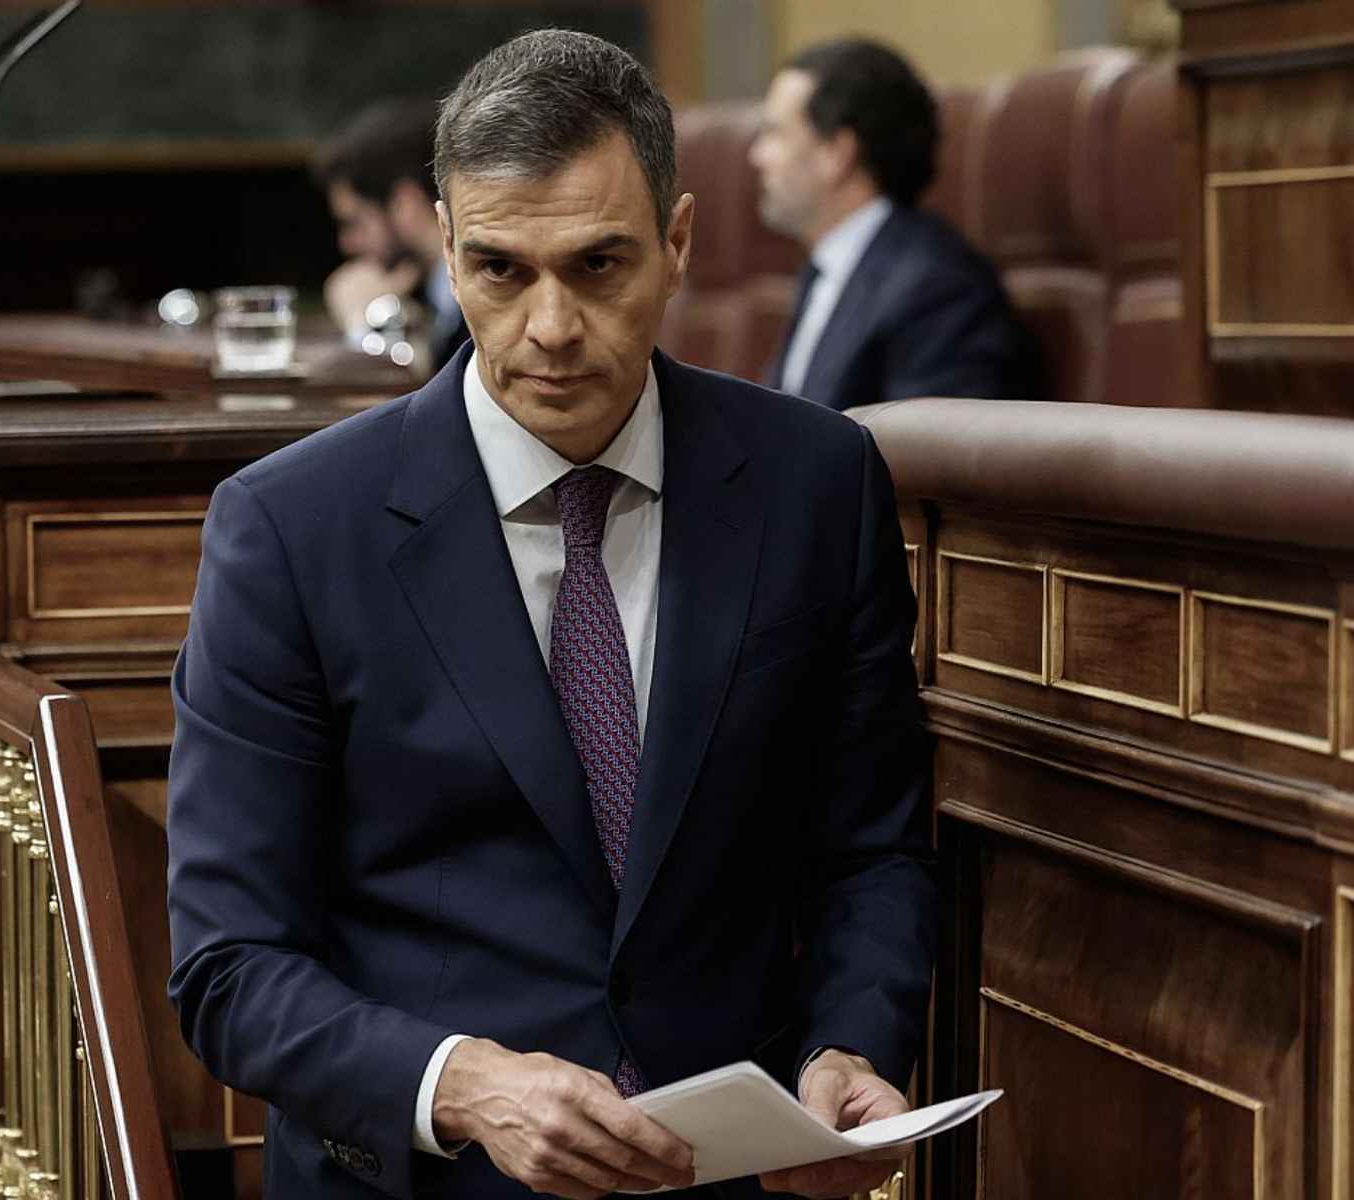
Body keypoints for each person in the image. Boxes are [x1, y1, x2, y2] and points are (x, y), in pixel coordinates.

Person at [169, 28, 934, 1200]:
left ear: (676, 244)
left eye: (596, 265)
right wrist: (462, 1083)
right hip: (429, 1182)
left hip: (730, 1173)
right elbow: (227, 965)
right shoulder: (289, 529)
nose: (549, 329)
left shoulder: (815, 484)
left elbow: (870, 847)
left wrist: (851, 1043)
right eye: (500, 271)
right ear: (443, 246)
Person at [749, 38, 1038, 411]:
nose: (757, 156)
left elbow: (931, 458)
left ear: (837, 152)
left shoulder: (937, 288)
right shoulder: (825, 272)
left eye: (775, 133)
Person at [314, 98, 469, 371]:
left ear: (404, 204)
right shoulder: (429, 294)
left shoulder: (477, 295)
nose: (346, 243)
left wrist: (366, 319)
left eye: (355, 222)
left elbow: (408, 399)